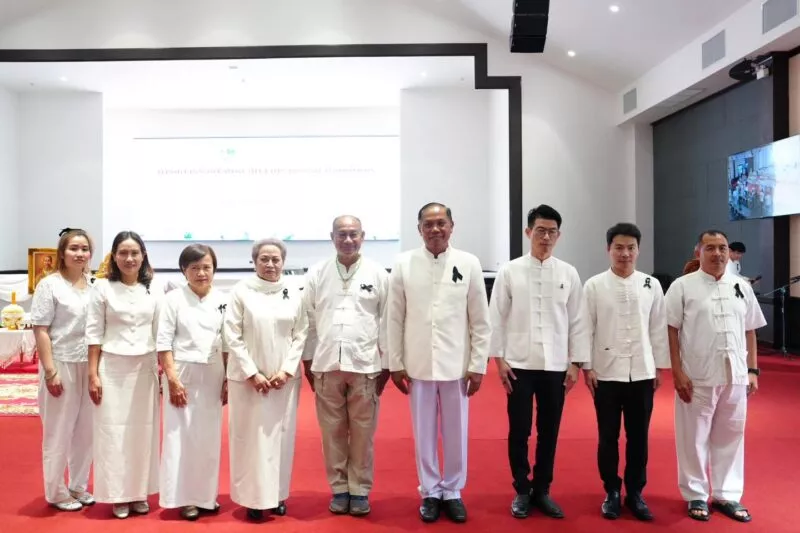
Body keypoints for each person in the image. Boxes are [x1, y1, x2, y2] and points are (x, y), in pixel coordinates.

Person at [387, 202, 491, 524]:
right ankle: (430, 491)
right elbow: (394, 317)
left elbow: (480, 320)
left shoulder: (469, 263)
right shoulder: (403, 264)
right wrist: (395, 363)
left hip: (457, 364)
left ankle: (453, 491)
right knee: (424, 433)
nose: (435, 229)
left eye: (441, 223)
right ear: (419, 229)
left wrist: (478, 365)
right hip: (417, 362)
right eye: (428, 224)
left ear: (451, 226)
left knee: (456, 432)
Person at [489, 204, 589, 520]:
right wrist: (499, 360)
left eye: (552, 232)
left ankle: (542, 489)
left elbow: (578, 320)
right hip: (518, 364)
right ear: (528, 232)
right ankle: (522, 488)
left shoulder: (568, 273)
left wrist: (576, 363)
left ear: (559, 235)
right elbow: (496, 317)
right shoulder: (510, 271)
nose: (546, 237)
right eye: (540, 231)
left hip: (556, 365)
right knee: (519, 430)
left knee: (549, 431)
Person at [665, 230, 766, 523]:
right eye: (710, 248)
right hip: (696, 375)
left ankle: (726, 494)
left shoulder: (741, 286)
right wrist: (677, 371)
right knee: (693, 437)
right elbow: (670, 329)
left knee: (731, 435)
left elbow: (750, 329)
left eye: (722, 247)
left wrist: (753, 370)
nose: (718, 253)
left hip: (735, 375)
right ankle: (695, 493)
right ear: (698, 252)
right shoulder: (682, 286)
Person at [302, 215, 389, 516]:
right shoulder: (317, 273)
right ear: (332, 237)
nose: (348, 240)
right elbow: (308, 321)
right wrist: (308, 362)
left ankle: (360, 490)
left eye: (354, 234)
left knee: (363, 433)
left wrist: (387, 365)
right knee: (332, 433)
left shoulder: (378, 274)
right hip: (326, 364)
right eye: (342, 234)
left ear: (363, 236)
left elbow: (387, 322)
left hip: (365, 365)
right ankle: (339, 488)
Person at [582, 223, 669, 521]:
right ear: (608, 249)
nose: (625, 253)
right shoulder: (594, 285)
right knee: (608, 436)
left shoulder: (651, 285)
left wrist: (658, 367)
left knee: (639, 437)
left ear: (638, 250)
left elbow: (658, 328)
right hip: (606, 374)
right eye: (618, 247)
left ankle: (635, 492)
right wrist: (587, 367)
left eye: (631, 248)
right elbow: (586, 328)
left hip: (642, 373)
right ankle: (611, 490)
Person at [224, 238, 308, 521]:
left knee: (281, 437)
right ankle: (253, 498)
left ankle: (278, 494)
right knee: (251, 439)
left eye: (275, 259)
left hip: (283, 380)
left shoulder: (294, 291)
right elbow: (232, 334)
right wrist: (252, 373)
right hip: (248, 381)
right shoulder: (241, 291)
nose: (270, 264)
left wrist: (287, 370)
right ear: (254, 261)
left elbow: (301, 333)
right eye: (264, 259)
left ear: (283, 262)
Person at [85, 231, 162, 519]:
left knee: (143, 432)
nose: (129, 258)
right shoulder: (102, 288)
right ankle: (118, 494)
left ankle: (139, 492)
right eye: (123, 253)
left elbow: (160, 332)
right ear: (114, 257)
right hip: (112, 368)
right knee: (113, 432)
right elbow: (94, 333)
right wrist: (93, 374)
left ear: (143, 256)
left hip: (145, 369)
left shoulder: (155, 288)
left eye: (135, 253)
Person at [156, 244, 228, 521]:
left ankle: (205, 496)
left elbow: (227, 343)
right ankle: (183, 498)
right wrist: (172, 380)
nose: (201, 273)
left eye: (206, 267)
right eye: (194, 268)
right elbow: (164, 342)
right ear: (183, 270)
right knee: (180, 437)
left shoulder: (223, 300)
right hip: (182, 373)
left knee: (208, 438)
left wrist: (227, 379)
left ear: (214, 269)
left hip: (213, 374)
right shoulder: (173, 300)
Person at [30, 228, 95, 511]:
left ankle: (78, 485)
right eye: (74, 248)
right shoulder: (50, 285)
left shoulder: (94, 285)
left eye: (84, 248)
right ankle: (55, 491)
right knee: (58, 431)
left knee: (86, 431)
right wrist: (50, 371)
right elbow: (41, 329)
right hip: (61, 363)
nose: (80, 253)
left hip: (90, 365)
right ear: (62, 252)